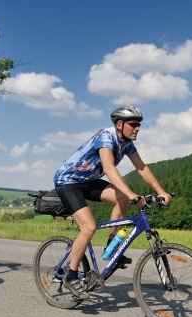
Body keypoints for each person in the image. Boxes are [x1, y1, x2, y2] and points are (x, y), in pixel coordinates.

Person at [54, 105, 172, 299]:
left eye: (139, 125)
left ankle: (112, 246)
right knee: (89, 227)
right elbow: (109, 168)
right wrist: (134, 195)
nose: (137, 128)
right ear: (119, 124)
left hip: (89, 181)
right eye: (133, 124)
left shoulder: (127, 144)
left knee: (123, 198)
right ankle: (71, 275)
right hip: (69, 182)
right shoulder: (106, 137)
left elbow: (141, 167)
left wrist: (161, 191)